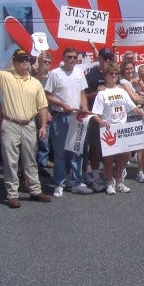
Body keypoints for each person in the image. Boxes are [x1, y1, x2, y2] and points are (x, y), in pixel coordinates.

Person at [0, 41, 51, 208]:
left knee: (30, 159)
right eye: (20, 59)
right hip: (10, 124)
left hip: (29, 124)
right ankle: (12, 194)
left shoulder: (35, 82)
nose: (24, 61)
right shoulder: (5, 77)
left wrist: (42, 126)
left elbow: (42, 106)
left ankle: (35, 190)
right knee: (10, 161)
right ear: (14, 61)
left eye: (26, 58)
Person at [45, 46, 93, 197]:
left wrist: (84, 108)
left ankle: (76, 182)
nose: (72, 59)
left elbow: (82, 93)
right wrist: (62, 105)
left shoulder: (79, 72)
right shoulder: (55, 73)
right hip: (60, 116)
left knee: (76, 151)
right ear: (63, 58)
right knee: (60, 153)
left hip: (76, 117)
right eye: (69, 57)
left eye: (74, 57)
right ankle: (59, 184)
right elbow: (47, 95)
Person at [91, 62, 144, 194]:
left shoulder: (122, 91)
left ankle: (119, 181)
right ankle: (109, 182)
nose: (114, 75)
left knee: (125, 155)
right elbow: (95, 114)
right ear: (106, 76)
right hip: (109, 129)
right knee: (108, 158)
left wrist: (142, 113)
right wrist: (101, 121)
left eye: (116, 73)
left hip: (123, 128)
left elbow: (132, 106)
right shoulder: (102, 93)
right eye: (111, 73)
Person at [83, 47, 113, 192]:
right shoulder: (91, 75)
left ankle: (107, 176)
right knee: (94, 147)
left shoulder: (112, 74)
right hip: (95, 117)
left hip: (110, 117)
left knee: (109, 146)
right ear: (99, 58)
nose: (107, 61)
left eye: (109, 58)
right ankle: (95, 175)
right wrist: (97, 92)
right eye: (104, 58)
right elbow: (83, 97)